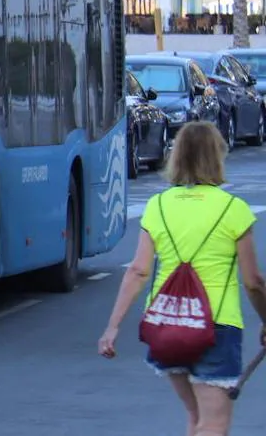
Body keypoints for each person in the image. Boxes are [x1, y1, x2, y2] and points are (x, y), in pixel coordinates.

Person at [98, 121, 266, 436]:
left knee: (196, 419)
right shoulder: (234, 209)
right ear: (217, 156)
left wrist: (112, 327)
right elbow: (253, 281)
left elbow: (138, 270)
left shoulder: (158, 206)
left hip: (167, 327)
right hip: (216, 327)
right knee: (214, 425)